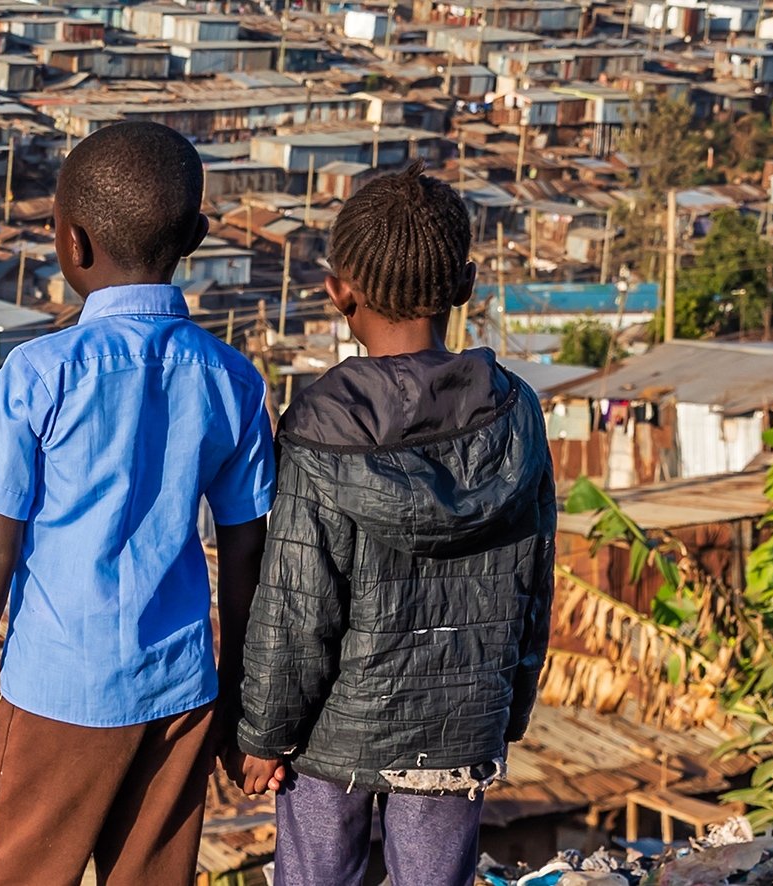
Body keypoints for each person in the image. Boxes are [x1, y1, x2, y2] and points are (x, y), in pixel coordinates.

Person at [0, 121, 275, 886]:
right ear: (193, 236)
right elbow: (247, 551)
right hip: (181, 688)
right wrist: (235, 694)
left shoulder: (42, 372)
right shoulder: (233, 379)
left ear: (73, 243)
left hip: (58, 689)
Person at [233, 163, 557, 886]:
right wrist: (509, 707)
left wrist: (263, 734)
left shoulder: (320, 425)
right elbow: (536, 580)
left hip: (327, 737)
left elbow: (296, 604)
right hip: (460, 719)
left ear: (338, 290)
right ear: (465, 284)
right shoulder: (516, 413)